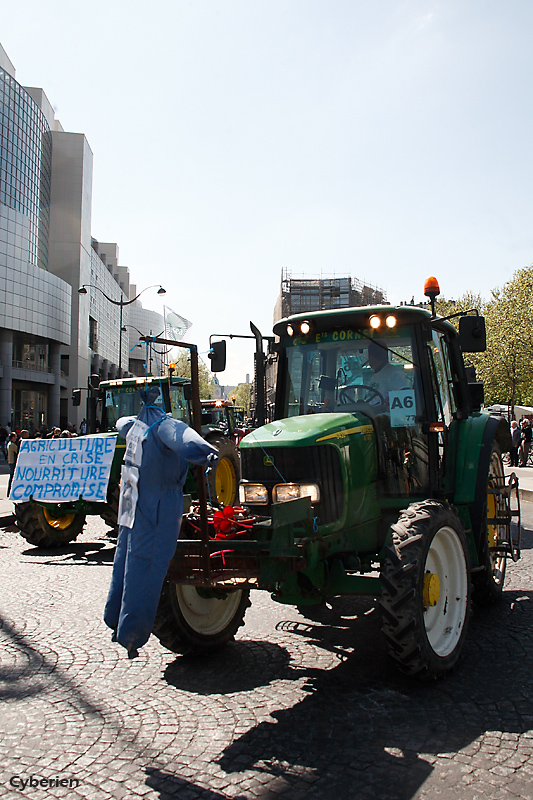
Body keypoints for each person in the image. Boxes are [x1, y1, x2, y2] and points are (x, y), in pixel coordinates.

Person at [104, 386, 219, 658]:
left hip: (131, 503)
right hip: (159, 507)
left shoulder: (133, 426)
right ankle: (132, 633)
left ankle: (115, 619)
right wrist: (211, 454)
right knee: (148, 567)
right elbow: (186, 441)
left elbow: (120, 423)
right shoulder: (164, 426)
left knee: (125, 563)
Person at [366, 341, 409, 405]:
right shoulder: (378, 374)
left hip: (384, 414)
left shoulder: (394, 374)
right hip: (370, 412)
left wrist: (389, 402)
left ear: (371, 358)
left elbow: (405, 396)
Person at [7, 432, 18, 496]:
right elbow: (17, 451)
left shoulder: (9, 444)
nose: (16, 438)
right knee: (12, 477)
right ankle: (10, 491)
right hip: (13, 462)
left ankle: (9, 491)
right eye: (15, 437)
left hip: (10, 461)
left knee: (11, 477)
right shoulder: (12, 445)